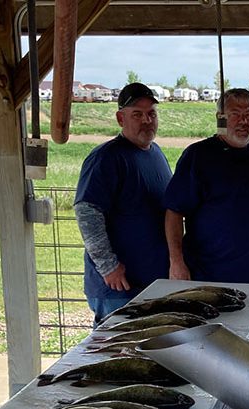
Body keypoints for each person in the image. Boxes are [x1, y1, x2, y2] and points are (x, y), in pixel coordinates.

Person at [74, 82, 172, 325]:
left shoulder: (156, 154)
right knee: (118, 343)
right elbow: (87, 212)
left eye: (151, 114)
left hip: (152, 282)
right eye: (137, 114)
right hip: (119, 287)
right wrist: (108, 266)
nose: (147, 121)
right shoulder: (106, 158)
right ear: (121, 118)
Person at [164, 88, 249, 284]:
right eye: (235, 114)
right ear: (220, 118)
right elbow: (174, 212)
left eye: (248, 115)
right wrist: (176, 262)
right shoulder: (198, 156)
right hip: (205, 275)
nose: (243, 121)